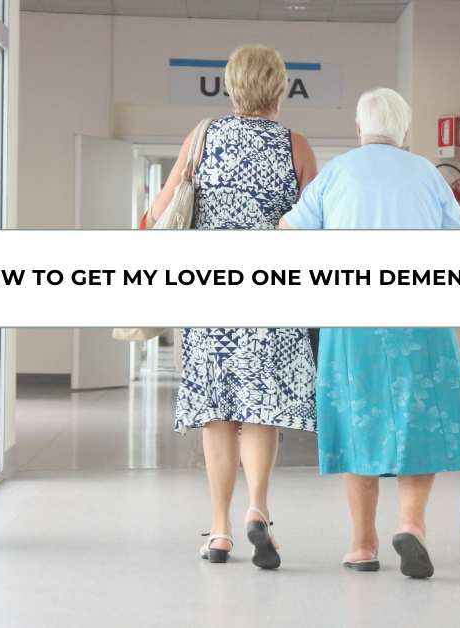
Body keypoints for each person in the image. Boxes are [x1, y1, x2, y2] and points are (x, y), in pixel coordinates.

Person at [280, 88, 460, 579]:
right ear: (405, 131)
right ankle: (411, 526)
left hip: (351, 317)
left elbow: (288, 234)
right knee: (419, 417)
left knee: (358, 418)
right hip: (419, 312)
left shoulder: (337, 172)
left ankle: (361, 544)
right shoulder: (425, 174)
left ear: (359, 129)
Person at [149, 45, 319, 569]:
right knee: (260, 409)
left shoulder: (203, 137)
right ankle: (258, 510)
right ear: (280, 88)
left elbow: (159, 214)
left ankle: (220, 530)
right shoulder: (295, 146)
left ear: (230, 87)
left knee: (216, 413)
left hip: (210, 294)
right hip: (269, 295)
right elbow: (315, 227)